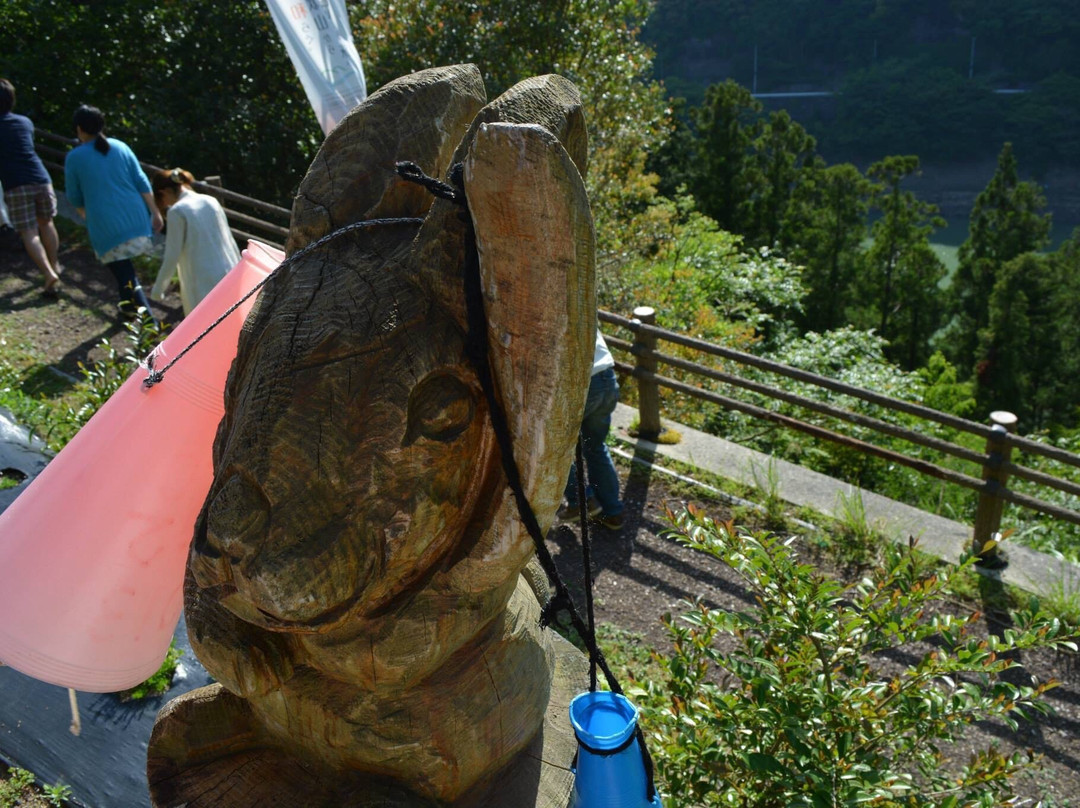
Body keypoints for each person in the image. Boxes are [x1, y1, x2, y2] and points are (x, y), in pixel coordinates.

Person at [64, 104, 162, 323]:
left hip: (106, 225)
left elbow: (74, 196)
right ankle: (127, 310)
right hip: (137, 218)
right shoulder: (120, 146)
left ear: (79, 129)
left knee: (124, 272)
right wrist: (155, 212)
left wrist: (87, 216)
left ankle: (150, 323)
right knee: (123, 269)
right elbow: (141, 180)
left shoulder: (75, 157)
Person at [0, 79, 63, 296]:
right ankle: (54, 265)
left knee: (28, 231)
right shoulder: (25, 122)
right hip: (41, 178)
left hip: (16, 184)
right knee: (47, 223)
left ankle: (48, 273)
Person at [557, 331, 625, 530]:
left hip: (580, 382)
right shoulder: (582, 309)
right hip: (607, 377)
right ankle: (612, 512)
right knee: (596, 447)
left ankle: (581, 501)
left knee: (558, 450)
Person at [149, 168, 240, 316]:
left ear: (164, 192)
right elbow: (228, 240)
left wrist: (158, 290)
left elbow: (172, 255)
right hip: (230, 272)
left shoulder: (177, 211)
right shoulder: (210, 201)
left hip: (203, 282)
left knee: (209, 325)